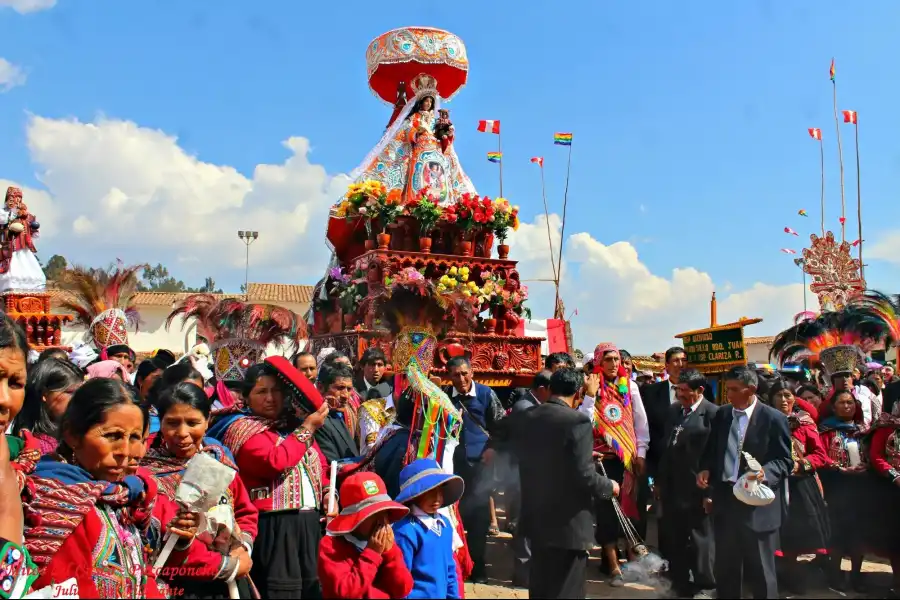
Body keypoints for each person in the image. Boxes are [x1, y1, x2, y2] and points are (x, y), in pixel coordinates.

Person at [22, 378, 194, 598]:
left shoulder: (119, 494)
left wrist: (179, 540)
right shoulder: (60, 505)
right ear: (73, 435)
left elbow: (140, 573)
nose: (125, 451)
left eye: (134, 438)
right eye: (112, 436)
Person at [207, 362, 330, 599]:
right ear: (246, 397)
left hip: (309, 525)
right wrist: (308, 427)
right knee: (281, 591)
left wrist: (327, 492)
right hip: (274, 525)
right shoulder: (242, 430)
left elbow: (321, 465)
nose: (270, 398)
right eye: (261, 392)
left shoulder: (291, 427)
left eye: (276, 391)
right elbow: (275, 462)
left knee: (312, 589)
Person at [498, 367, 618, 599]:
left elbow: (538, 455)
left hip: (537, 518)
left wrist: (582, 456)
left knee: (542, 586)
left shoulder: (528, 416)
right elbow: (584, 476)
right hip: (567, 524)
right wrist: (609, 486)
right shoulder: (578, 421)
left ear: (551, 389)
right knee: (567, 589)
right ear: (578, 392)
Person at [142, 382, 258, 599]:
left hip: (231, 582)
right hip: (180, 583)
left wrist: (242, 547)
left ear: (207, 422)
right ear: (161, 423)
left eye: (193, 422)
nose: (182, 433)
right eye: (172, 423)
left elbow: (245, 512)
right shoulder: (148, 475)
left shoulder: (218, 461)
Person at [698, 366, 792, 600]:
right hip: (726, 502)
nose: (728, 395)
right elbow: (712, 451)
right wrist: (706, 471)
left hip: (757, 507)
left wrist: (764, 473)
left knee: (761, 570)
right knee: (727, 568)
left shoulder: (773, 418)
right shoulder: (721, 415)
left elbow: (784, 460)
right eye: (726, 389)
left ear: (751, 389)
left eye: (733, 389)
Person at [579, 343, 649, 585]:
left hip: (627, 461)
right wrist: (589, 396)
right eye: (608, 359)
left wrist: (641, 454)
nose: (614, 364)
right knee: (607, 513)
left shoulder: (629, 386)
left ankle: (632, 561)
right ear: (599, 361)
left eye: (617, 359)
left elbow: (640, 424)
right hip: (601, 462)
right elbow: (583, 422)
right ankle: (613, 566)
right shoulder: (591, 387)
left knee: (630, 510)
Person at [656, 368, 717, 598]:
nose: (679, 394)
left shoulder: (713, 414)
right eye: (677, 389)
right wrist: (660, 481)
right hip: (673, 487)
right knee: (675, 537)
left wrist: (710, 491)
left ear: (699, 390)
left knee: (702, 539)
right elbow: (666, 448)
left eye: (684, 390)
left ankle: (706, 585)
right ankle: (679, 582)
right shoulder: (673, 412)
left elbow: (715, 455)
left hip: (698, 488)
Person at [767, 378, 831, 595]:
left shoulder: (804, 422)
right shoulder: (763, 421)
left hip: (800, 486)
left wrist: (800, 464)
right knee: (773, 533)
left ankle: (793, 577)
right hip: (772, 485)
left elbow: (820, 454)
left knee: (794, 533)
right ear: (770, 398)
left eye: (788, 395)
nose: (784, 400)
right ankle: (772, 577)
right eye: (779, 395)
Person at [444, 355, 504, 584]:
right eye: (455, 375)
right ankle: (459, 568)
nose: (460, 379)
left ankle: (479, 569)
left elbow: (501, 427)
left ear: (472, 373)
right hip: (453, 468)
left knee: (478, 522)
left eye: (464, 373)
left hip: (480, 468)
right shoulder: (445, 398)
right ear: (449, 377)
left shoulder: (486, 394)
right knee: (456, 519)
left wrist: (492, 449)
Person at [318, 472, 414, 599]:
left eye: (385, 513)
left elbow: (403, 588)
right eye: (374, 515)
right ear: (354, 519)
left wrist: (390, 553)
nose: (382, 522)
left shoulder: (386, 544)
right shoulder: (331, 546)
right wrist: (372, 554)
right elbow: (345, 593)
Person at [818, 389, 871, 592]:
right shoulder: (825, 430)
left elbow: (872, 453)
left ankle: (857, 576)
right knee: (837, 534)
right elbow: (821, 455)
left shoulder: (864, 430)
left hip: (861, 489)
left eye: (850, 402)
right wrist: (838, 467)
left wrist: (866, 465)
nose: (847, 406)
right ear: (833, 406)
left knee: (859, 534)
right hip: (836, 487)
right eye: (842, 402)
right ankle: (835, 575)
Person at [392, 458, 464, 599]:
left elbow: (450, 569)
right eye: (429, 492)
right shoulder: (406, 530)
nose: (436, 498)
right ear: (414, 495)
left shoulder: (444, 525)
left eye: (440, 491)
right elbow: (399, 578)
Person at [12, 357, 83, 455]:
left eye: (80, 392)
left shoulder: (74, 430)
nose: (78, 398)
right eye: (70, 392)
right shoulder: (33, 446)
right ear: (44, 394)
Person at [316, 363, 361, 462]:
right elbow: (332, 466)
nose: (345, 395)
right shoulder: (318, 422)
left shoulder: (338, 415)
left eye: (349, 389)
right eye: (340, 388)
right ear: (320, 387)